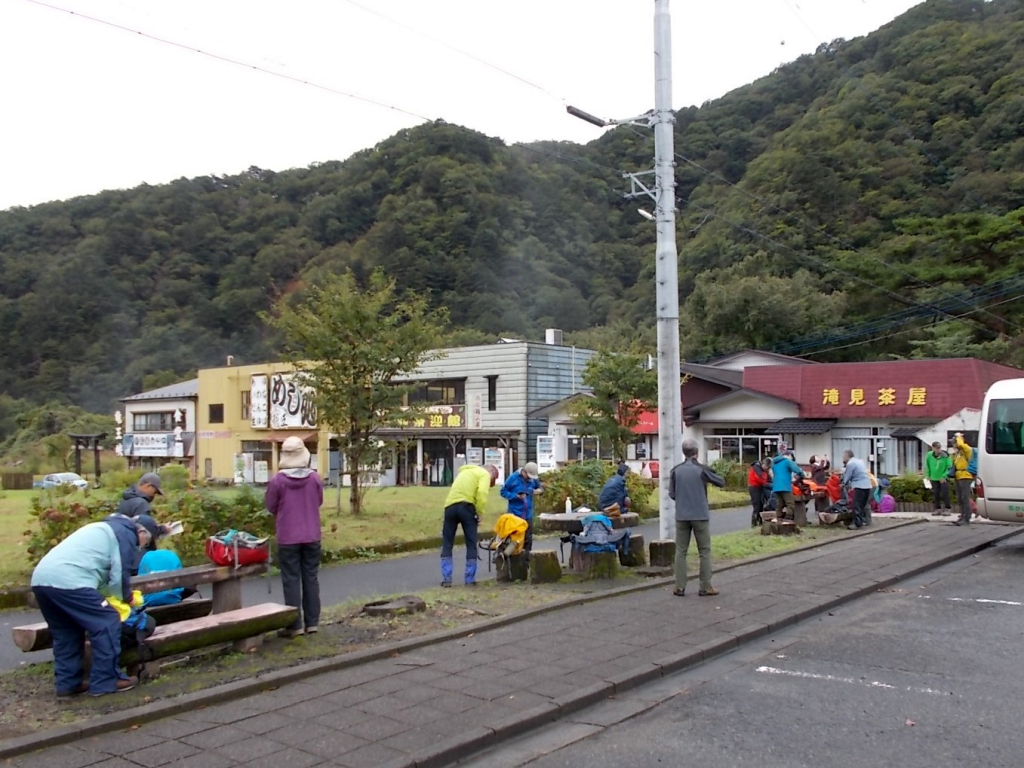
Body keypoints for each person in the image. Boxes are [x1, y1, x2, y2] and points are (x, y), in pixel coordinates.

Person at [31, 513, 164, 697]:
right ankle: (105, 681)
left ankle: (68, 683)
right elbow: (120, 575)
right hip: (71, 581)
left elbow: (101, 579)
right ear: (141, 531)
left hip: (41, 580)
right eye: (145, 542)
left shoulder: (104, 528)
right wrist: (127, 599)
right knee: (108, 620)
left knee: (66, 631)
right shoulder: (125, 534)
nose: (140, 547)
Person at [265, 436, 323, 638]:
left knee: (290, 579)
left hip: (288, 536)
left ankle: (294, 625)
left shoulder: (277, 481)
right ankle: (313, 622)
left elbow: (271, 506)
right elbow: (319, 501)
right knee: (310, 577)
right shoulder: (314, 478)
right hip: (312, 535)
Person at [668, 438, 726, 597]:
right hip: (700, 514)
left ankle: (679, 586)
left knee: (680, 551)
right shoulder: (702, 469)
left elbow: (672, 494)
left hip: (681, 515)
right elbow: (721, 482)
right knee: (704, 551)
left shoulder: (675, 470)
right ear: (696, 452)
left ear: (683, 452)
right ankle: (705, 586)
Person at [441, 463, 500, 587]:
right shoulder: (483, 474)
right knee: (471, 543)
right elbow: (482, 493)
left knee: (447, 543)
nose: (489, 484)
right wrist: (479, 512)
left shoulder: (464, 472)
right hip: (467, 507)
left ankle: (447, 578)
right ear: (491, 473)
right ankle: (469, 579)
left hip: (450, 506)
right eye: (491, 481)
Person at [500, 462, 541, 556]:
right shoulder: (513, 478)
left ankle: (527, 561)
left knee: (528, 538)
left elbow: (540, 487)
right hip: (515, 513)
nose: (530, 478)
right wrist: (515, 496)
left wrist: (539, 491)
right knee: (514, 538)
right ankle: (512, 559)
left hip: (528, 513)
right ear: (524, 472)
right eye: (529, 476)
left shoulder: (533, 479)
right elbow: (503, 491)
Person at [841, 449, 873, 529]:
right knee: (862, 505)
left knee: (856, 505)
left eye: (843, 456)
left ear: (847, 456)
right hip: (867, 485)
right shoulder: (860, 461)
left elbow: (847, 476)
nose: (842, 457)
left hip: (859, 486)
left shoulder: (850, 463)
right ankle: (863, 521)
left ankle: (857, 524)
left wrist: (843, 483)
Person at [771, 444, 804, 521]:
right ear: (788, 455)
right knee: (790, 504)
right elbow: (796, 469)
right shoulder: (787, 461)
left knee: (779, 504)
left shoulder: (774, 463)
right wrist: (802, 474)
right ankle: (788, 520)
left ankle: (778, 519)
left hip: (776, 486)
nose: (792, 458)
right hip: (785, 485)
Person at [950, 432, 975, 526]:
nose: (953, 444)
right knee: (959, 498)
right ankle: (962, 515)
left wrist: (958, 436)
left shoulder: (967, 449)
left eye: (954, 442)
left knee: (965, 497)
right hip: (958, 476)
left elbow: (961, 444)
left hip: (965, 476)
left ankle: (967, 517)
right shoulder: (958, 453)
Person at [924, 442, 952, 517]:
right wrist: (927, 475)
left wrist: (944, 476)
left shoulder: (945, 455)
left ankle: (947, 508)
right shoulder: (929, 455)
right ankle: (937, 509)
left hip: (943, 478)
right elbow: (927, 465)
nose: (938, 450)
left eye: (939, 448)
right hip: (933, 477)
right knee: (935, 494)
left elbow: (949, 467)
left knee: (945, 493)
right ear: (933, 448)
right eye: (936, 448)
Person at [747, 458, 771, 527]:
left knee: (761, 505)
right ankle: (754, 524)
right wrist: (767, 484)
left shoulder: (762, 469)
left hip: (759, 487)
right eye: (767, 467)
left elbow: (767, 478)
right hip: (754, 487)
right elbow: (761, 478)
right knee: (757, 506)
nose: (767, 469)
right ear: (764, 464)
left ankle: (760, 523)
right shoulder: (756, 467)